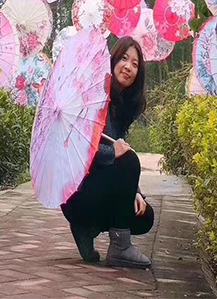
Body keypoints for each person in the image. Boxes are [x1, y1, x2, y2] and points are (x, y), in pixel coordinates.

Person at [60, 36, 154, 269]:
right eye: (124, 58)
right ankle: (120, 248)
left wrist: (135, 191)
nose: (129, 67)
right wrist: (112, 151)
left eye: (135, 64)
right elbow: (78, 148)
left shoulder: (122, 106)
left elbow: (122, 159)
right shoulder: (93, 97)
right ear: (113, 60)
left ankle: (86, 229)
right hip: (78, 194)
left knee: (145, 216)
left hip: (98, 189)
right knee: (129, 159)